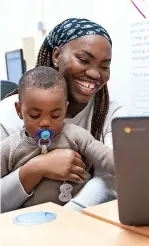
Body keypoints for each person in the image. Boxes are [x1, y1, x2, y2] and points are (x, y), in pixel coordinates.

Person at [0, 18, 123, 211]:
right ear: (56, 56)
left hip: (77, 225)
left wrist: (65, 218)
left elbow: (112, 178)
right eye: (83, 60)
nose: (94, 74)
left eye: (104, 66)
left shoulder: (110, 113)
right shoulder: (6, 115)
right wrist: (35, 168)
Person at [1, 67, 115, 213]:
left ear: (65, 109)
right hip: (30, 222)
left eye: (55, 115)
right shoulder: (9, 147)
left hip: (76, 218)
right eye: (35, 115)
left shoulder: (75, 135)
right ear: (19, 110)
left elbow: (103, 156)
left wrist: (129, 167)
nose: (45, 123)